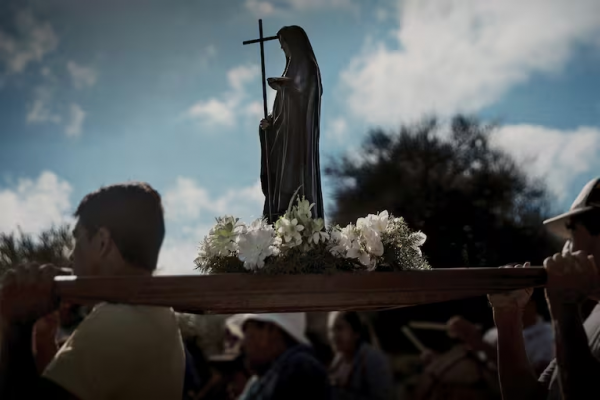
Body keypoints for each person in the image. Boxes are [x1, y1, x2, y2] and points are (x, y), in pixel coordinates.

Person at [0, 182, 185, 400]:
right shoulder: (157, 314)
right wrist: (42, 341)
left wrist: (15, 325)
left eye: (77, 239)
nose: (71, 255)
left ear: (102, 242)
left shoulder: (119, 320)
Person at [489, 177, 600, 400]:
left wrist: (564, 304)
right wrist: (508, 318)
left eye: (572, 232)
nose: (565, 248)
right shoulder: (594, 317)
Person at [258, 25, 324, 223]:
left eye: (283, 43)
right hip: (283, 142)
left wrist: (285, 87)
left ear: (293, 44)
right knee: (279, 188)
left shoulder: (308, 69)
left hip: (297, 143)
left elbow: (304, 100)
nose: (282, 49)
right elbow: (282, 114)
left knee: (294, 186)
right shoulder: (290, 70)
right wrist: (269, 126)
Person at [447, 291, 554, 375]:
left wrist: (483, 346)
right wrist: (468, 337)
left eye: (511, 302)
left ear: (531, 303)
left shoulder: (550, 336)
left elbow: (535, 379)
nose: (504, 308)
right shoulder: (492, 334)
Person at [230, 312, 331, 400]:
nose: (242, 345)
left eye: (246, 333)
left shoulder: (298, 369)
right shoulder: (262, 379)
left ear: (269, 329)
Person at [328, 311, 395, 400]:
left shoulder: (374, 360)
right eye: (330, 330)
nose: (333, 335)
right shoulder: (339, 360)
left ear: (356, 333)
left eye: (339, 328)